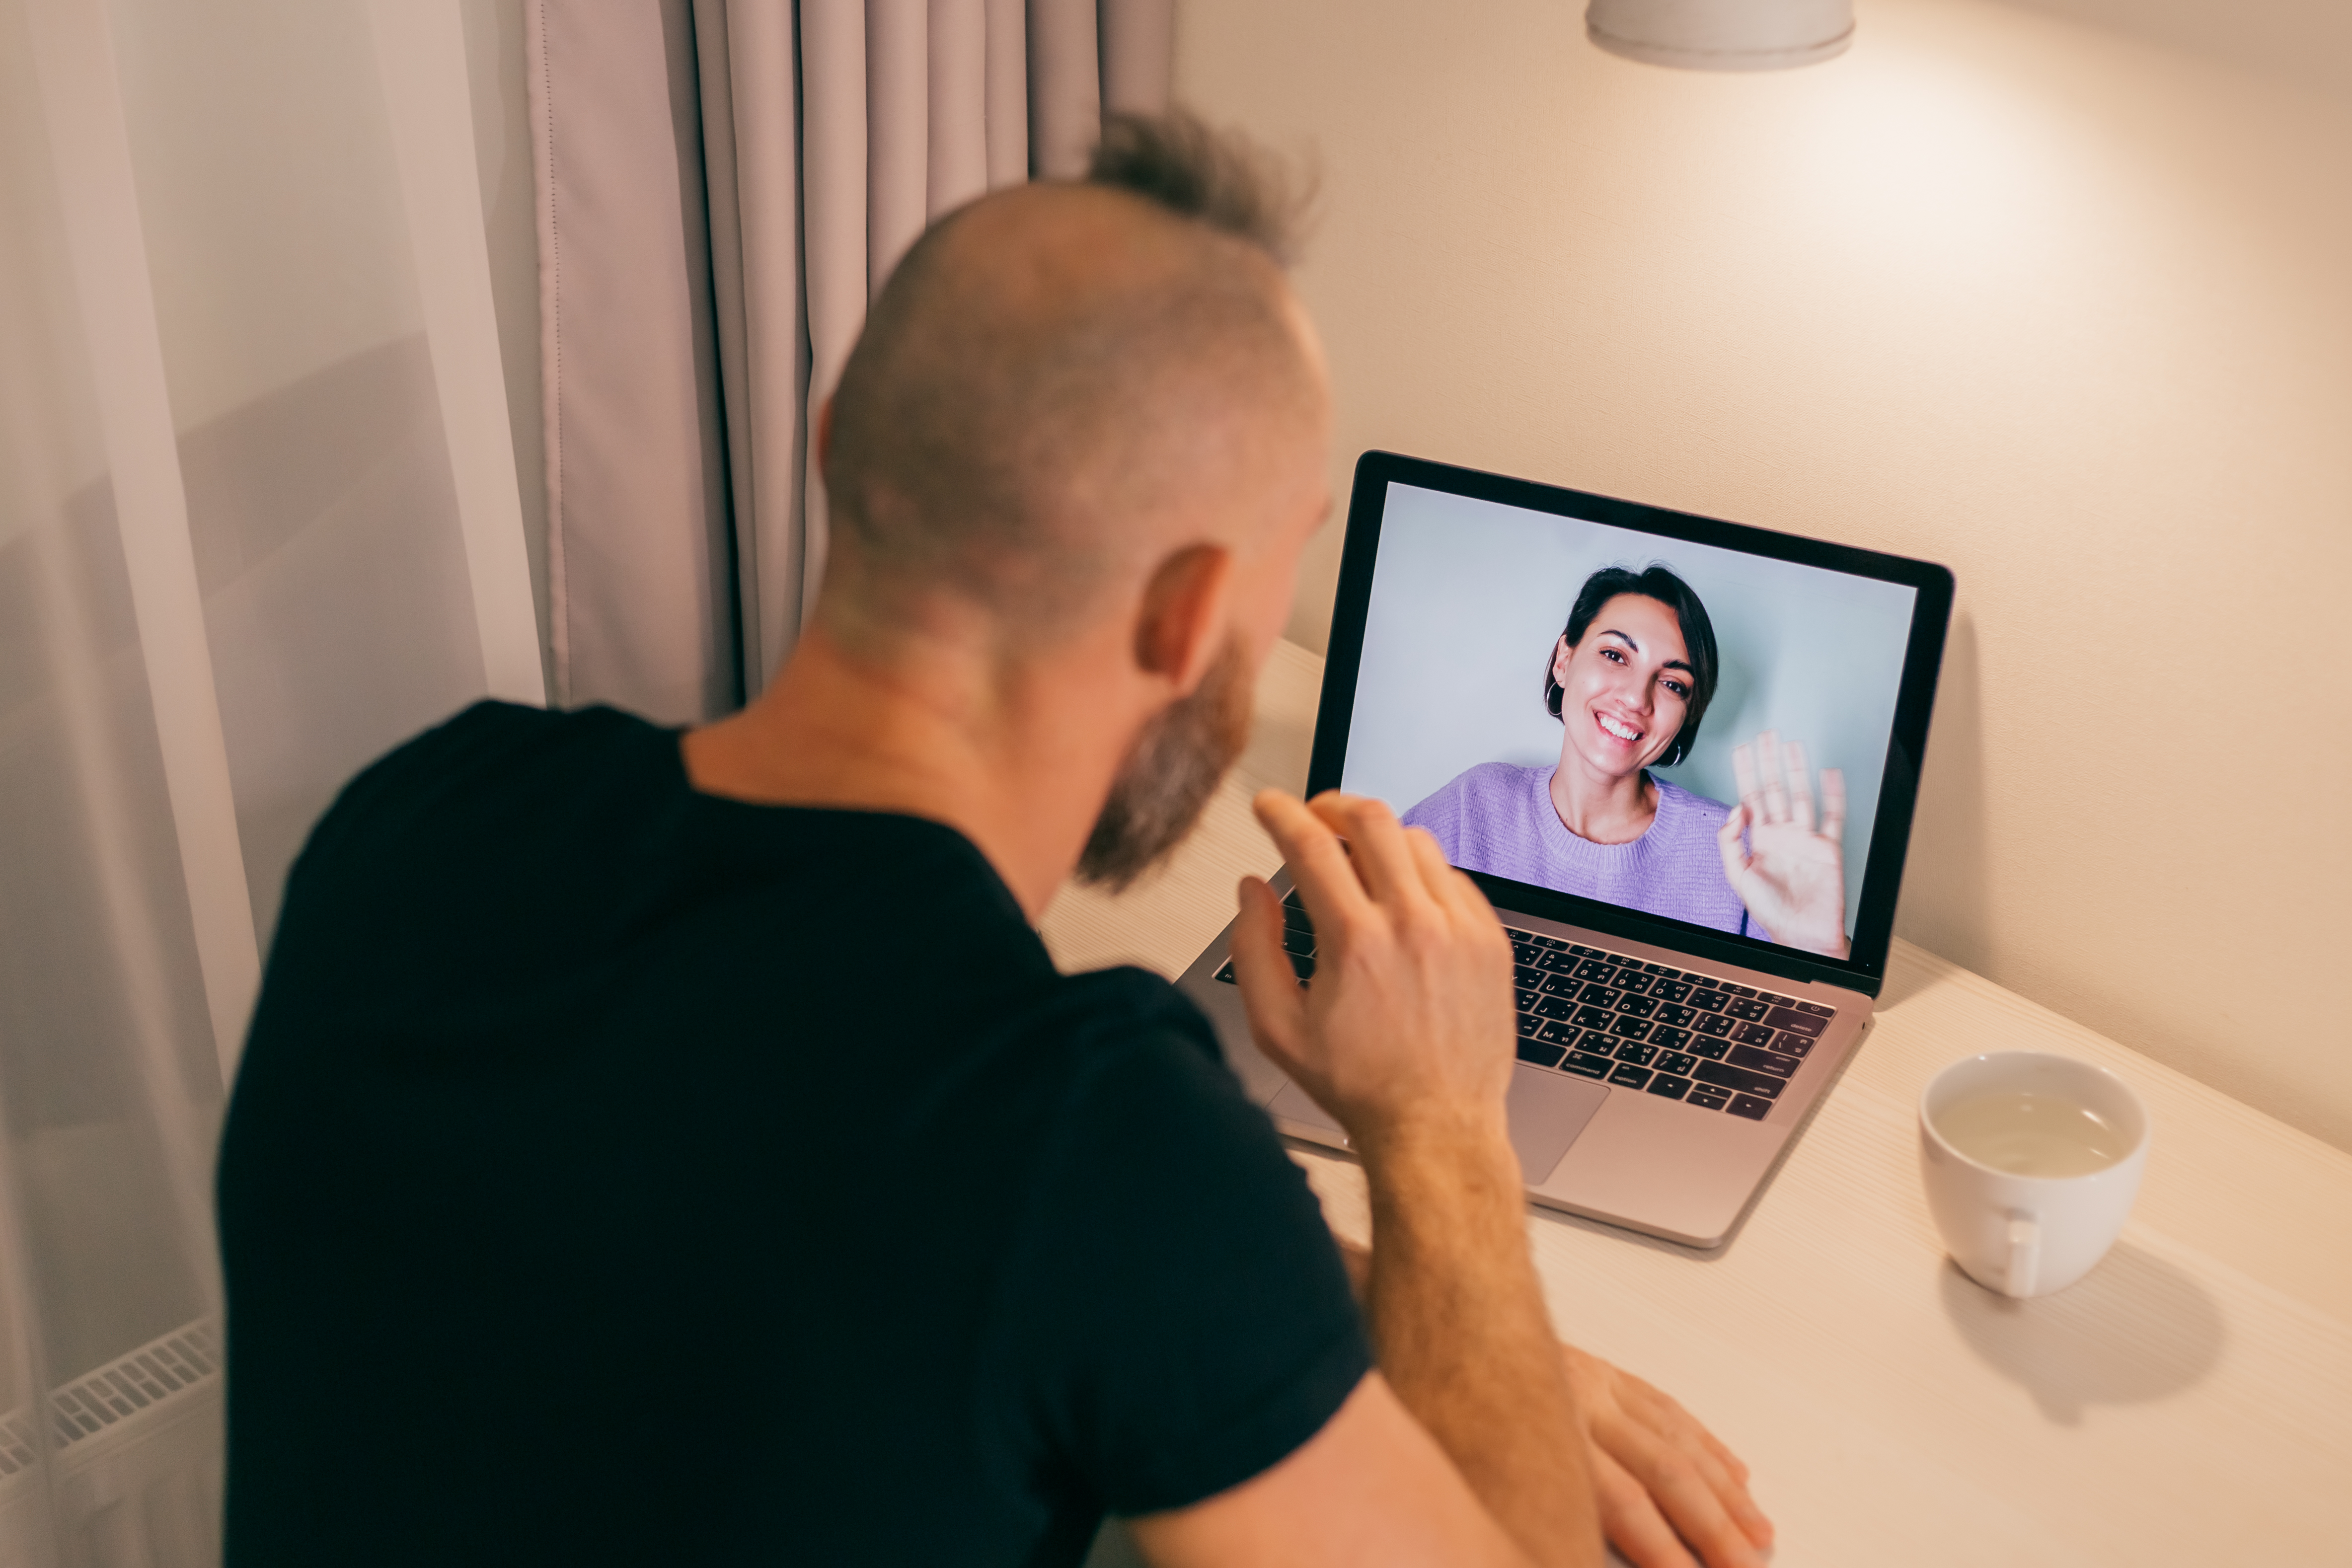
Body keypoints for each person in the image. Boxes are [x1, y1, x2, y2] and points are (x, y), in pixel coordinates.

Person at [216, 114, 1773, 1568]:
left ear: (837, 443)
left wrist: (1312, 1294)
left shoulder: (419, 819)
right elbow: (1062, 1222)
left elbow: (728, 1195)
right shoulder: (1086, 1131)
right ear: (1178, 615)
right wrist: (1444, 1141)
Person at [1403, 565, 1852, 959]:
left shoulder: (1739, 853)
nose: (1636, 698)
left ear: (1687, 716)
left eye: (1673, 683)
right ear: (1564, 660)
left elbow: (1793, 1021)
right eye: (1615, 655)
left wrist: (1821, 950)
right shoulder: (1477, 803)